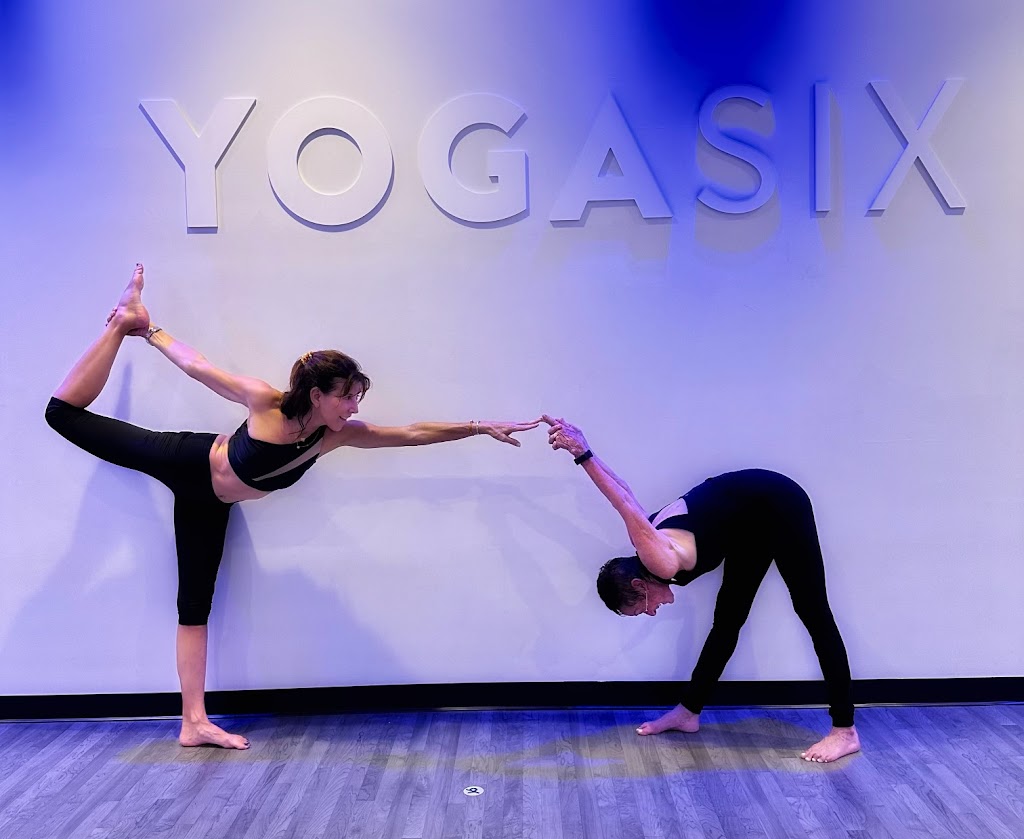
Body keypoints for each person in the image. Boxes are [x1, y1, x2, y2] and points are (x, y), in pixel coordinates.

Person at [46, 264, 540, 750]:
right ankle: (122, 322)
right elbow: (197, 366)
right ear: (317, 394)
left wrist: (478, 427)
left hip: (210, 505)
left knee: (194, 607)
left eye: (357, 396)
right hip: (186, 460)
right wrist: (149, 331)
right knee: (62, 414)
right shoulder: (264, 401)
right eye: (347, 397)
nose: (354, 407)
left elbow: (411, 433)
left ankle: (193, 723)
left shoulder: (335, 436)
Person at [543, 415, 859, 763]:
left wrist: (583, 453)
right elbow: (627, 491)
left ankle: (845, 731)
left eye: (640, 607)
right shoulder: (653, 536)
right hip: (748, 524)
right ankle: (688, 711)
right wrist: (587, 447)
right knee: (727, 622)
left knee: (813, 612)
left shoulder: (660, 560)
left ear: (638, 584)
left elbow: (623, 503)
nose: (650, 612)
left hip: (780, 504)